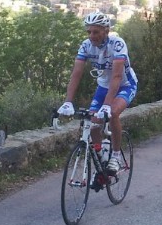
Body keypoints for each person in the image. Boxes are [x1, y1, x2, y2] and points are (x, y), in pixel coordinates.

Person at [57, 11, 138, 175]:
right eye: (89, 32)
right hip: (103, 87)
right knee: (93, 122)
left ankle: (116, 157)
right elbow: (76, 73)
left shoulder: (117, 44)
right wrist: (68, 101)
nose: (91, 35)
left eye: (96, 32)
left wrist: (107, 105)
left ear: (106, 30)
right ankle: (100, 156)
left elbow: (116, 76)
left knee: (112, 113)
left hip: (125, 85)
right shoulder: (86, 45)